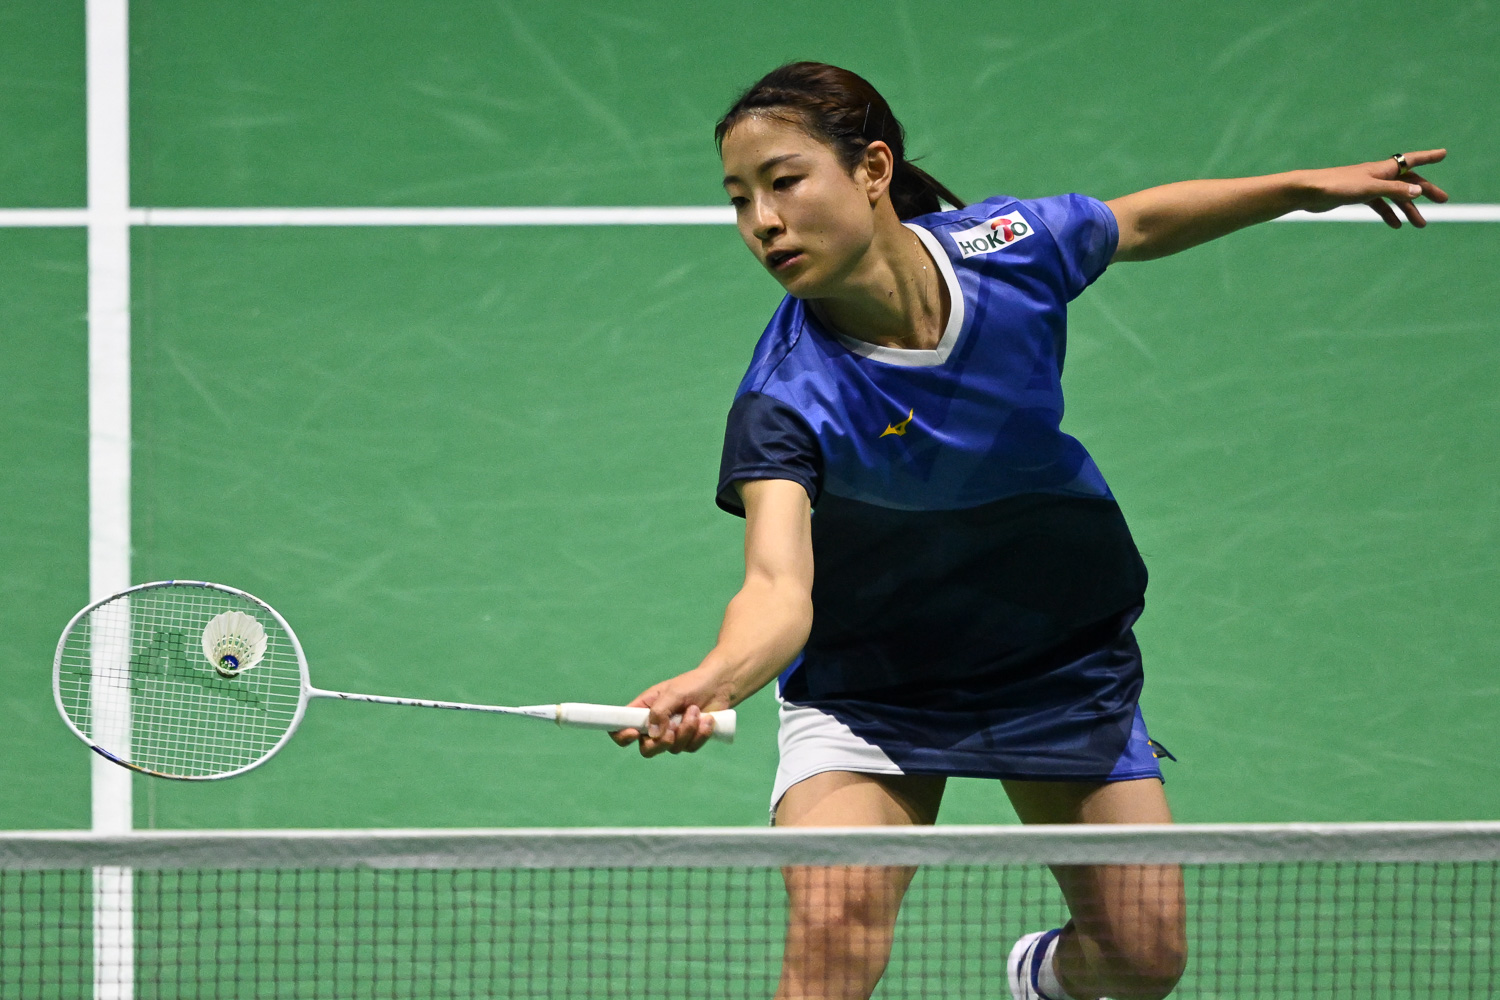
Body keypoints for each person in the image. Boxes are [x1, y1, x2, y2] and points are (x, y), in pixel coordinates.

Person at [610, 61, 1447, 1000]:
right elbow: (776, 587)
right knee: (833, 931)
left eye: (784, 182)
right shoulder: (785, 400)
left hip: (1051, 654)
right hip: (875, 681)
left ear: (873, 169)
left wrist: (1301, 188)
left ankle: (1042, 977)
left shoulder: (1004, 250)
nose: (762, 222)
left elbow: (1137, 223)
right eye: (739, 199)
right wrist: (717, 679)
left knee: (1142, 959)